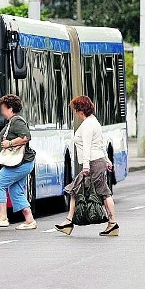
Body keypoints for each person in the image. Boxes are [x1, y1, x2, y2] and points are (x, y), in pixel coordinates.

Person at [55, 96, 119, 237]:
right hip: (97, 161)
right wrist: (107, 160)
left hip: (92, 163)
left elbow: (88, 146)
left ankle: (113, 222)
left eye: (76, 110)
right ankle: (68, 221)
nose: (76, 113)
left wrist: (85, 166)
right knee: (75, 190)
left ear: (80, 110)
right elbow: (100, 144)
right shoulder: (93, 122)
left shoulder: (88, 125)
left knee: (103, 192)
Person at [0, 94, 38, 230]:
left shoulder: (16, 121)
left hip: (20, 163)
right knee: (16, 190)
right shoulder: (12, 122)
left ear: (10, 108)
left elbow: (26, 136)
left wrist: (9, 143)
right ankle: (29, 220)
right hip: (24, 163)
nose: (2, 112)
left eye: (3, 109)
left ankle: (3, 217)